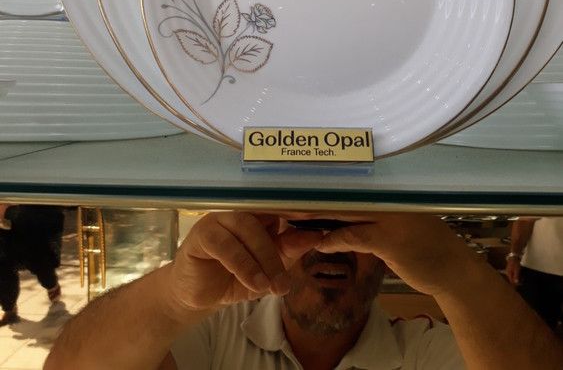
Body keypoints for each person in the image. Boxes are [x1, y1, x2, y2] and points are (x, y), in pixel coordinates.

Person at [44, 211, 563, 369]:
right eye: (307, 227)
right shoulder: (214, 333)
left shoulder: (423, 351)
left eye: (356, 230)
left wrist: (455, 271)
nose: (330, 247)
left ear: (390, 258)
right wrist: (174, 297)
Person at [0, 203, 64, 326]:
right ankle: (9, 308)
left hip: (31, 214)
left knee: (36, 259)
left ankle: (51, 284)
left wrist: (8, 209)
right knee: (3, 262)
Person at [505, 216, 563, 331]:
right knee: (530, 332)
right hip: (537, 271)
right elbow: (524, 220)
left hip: (538, 271)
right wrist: (514, 256)